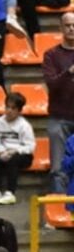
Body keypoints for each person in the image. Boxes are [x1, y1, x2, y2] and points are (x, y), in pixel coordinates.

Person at [43, 10, 74, 191]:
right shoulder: (51, 55)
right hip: (59, 117)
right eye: (68, 25)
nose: (71, 28)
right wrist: (69, 72)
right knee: (58, 168)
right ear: (61, 28)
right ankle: (58, 213)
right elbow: (51, 84)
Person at [0, 91, 35, 205]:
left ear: (19, 111)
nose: (9, 110)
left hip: (22, 155)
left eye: (13, 108)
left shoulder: (24, 125)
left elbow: (30, 146)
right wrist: (2, 152)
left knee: (13, 161)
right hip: (4, 153)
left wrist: (15, 151)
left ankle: (10, 193)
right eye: (7, 107)